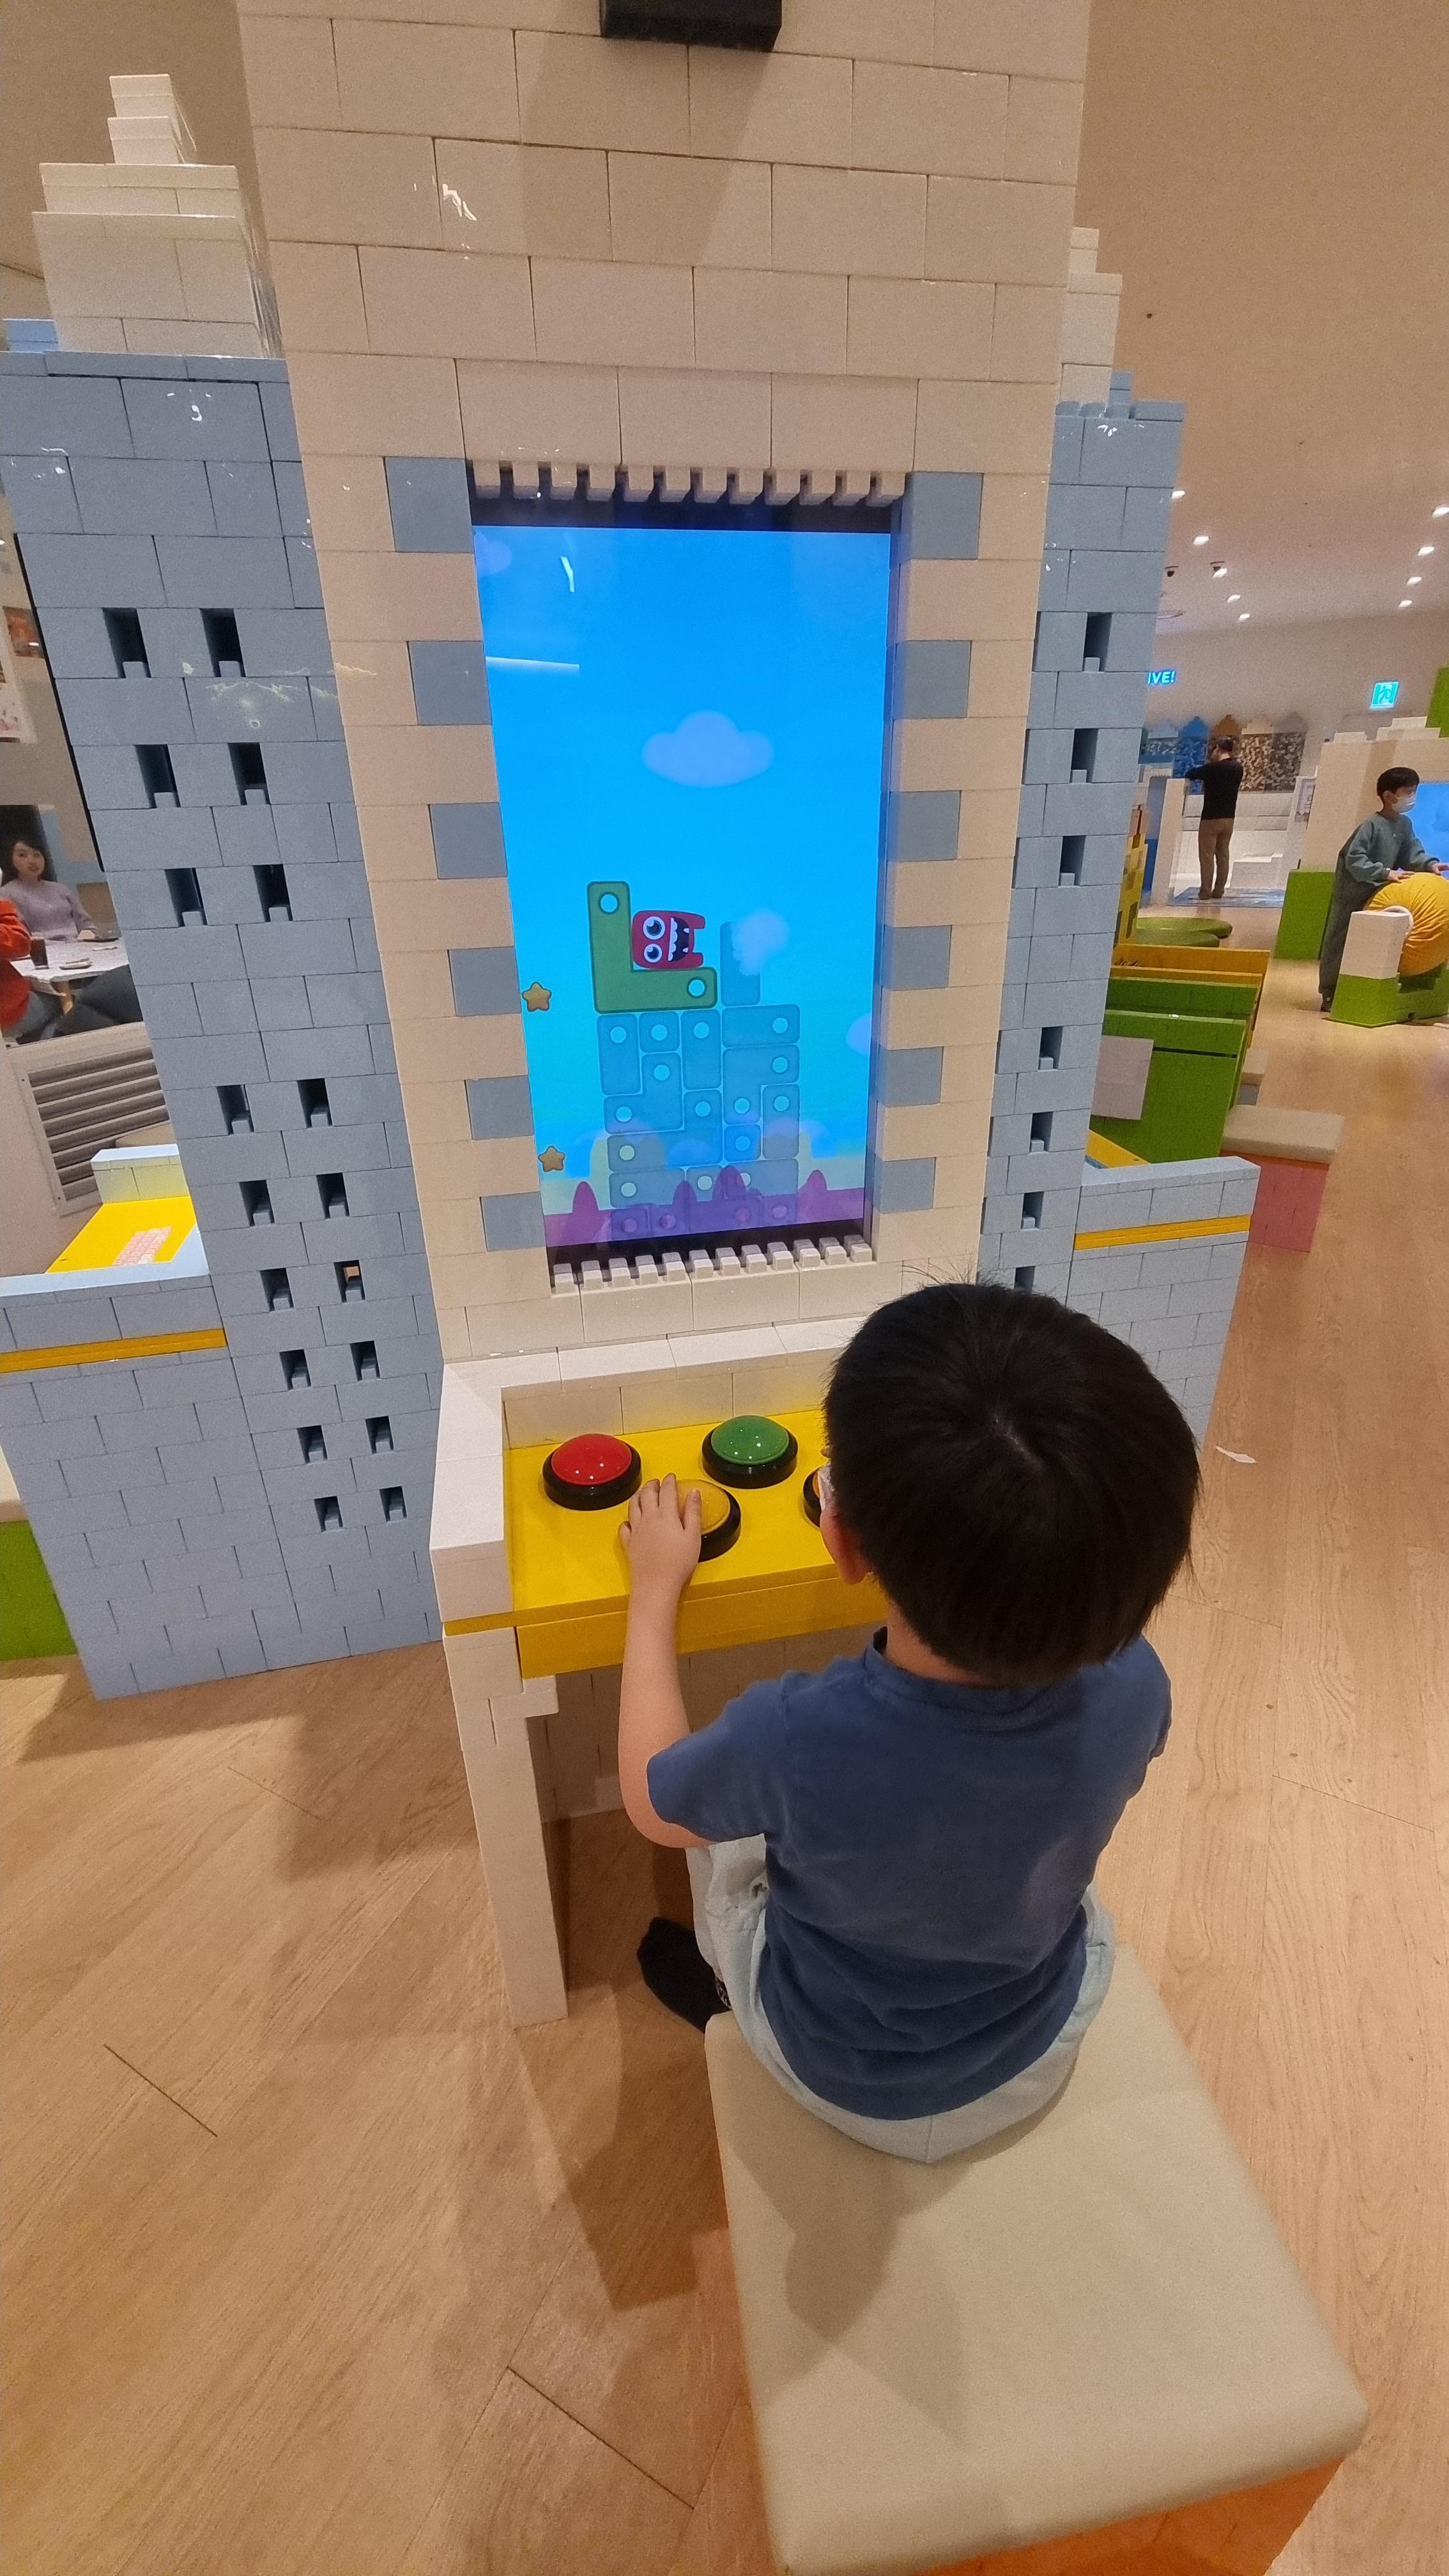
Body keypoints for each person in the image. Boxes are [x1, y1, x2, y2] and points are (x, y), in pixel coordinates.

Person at [617, 1282, 1198, 2164]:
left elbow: (651, 1801)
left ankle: (730, 2000)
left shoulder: (793, 1738)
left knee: (721, 1844)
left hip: (834, 2066)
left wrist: (653, 1592)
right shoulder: (1139, 1686)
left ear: (842, 1537)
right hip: (1033, 2044)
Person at [1318, 765, 1444, 1012]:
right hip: (1353, 893)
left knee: (1374, 943)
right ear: (1389, 796)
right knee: (1341, 941)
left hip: (1381, 895)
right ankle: (1330, 992)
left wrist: (1430, 864)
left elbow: (1412, 853)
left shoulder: (1404, 824)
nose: (1412, 797)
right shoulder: (1371, 825)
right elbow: (1355, 859)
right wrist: (1385, 872)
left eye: (1414, 792)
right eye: (1408, 792)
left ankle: (1363, 988)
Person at [0, 894, 142, 1043]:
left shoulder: (60, 891)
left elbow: (85, 921)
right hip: (9, 1010)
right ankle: (62, 1047)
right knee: (69, 1003)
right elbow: (21, 943)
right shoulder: (11, 893)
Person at [0, 828, 98, 942]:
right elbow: (19, 933)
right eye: (22, 855)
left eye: (37, 855)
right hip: (44, 948)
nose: (32, 861)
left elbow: (85, 922)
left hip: (78, 943)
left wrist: (88, 933)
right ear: (10, 860)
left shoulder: (60, 888)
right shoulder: (6, 894)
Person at [1186, 738, 1243, 900]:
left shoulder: (1212, 768)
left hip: (1210, 818)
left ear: (1218, 749)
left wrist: (1211, 761)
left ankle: (1205, 892)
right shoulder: (1238, 768)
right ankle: (1219, 891)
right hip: (1229, 818)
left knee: (1207, 856)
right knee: (1223, 855)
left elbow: (1190, 774)